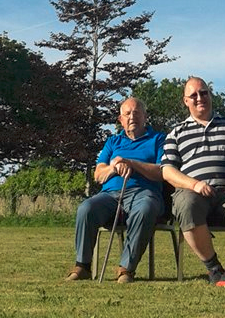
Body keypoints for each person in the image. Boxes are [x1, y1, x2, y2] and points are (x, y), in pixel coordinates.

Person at [161, 76, 225, 287]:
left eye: (204, 92)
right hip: (193, 193)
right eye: (193, 95)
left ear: (210, 95)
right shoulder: (176, 132)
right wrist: (194, 184)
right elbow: (168, 171)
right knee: (186, 204)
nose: (200, 98)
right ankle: (214, 269)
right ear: (185, 101)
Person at [66, 97, 165, 284]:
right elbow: (98, 175)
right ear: (120, 120)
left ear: (145, 116)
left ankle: (126, 268)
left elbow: (162, 172)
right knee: (86, 208)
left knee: (145, 209)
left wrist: (132, 164)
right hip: (110, 195)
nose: (132, 117)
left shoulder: (158, 139)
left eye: (136, 112)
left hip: (144, 193)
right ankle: (82, 266)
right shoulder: (112, 142)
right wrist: (115, 167)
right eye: (127, 113)